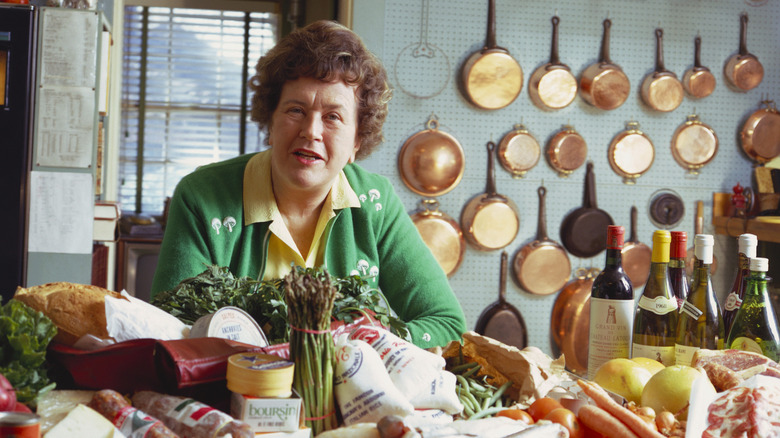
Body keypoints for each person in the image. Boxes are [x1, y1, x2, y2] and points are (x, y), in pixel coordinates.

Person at [151, 20, 466, 348]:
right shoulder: (202, 196)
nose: (311, 131)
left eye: (333, 117)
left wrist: (372, 342)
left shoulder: (376, 203)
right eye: (296, 110)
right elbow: (169, 327)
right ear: (270, 122)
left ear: (357, 140)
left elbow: (447, 324)